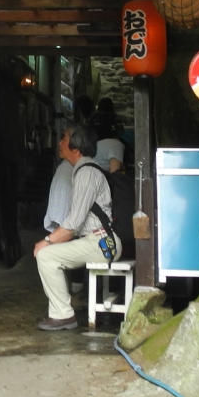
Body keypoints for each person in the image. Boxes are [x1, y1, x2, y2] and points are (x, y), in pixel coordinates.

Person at [34, 122, 122, 331]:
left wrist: (46, 241)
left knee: (45, 255)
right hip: (99, 241)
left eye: (64, 138)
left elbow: (73, 223)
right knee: (49, 253)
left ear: (76, 146)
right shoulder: (83, 169)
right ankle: (61, 312)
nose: (59, 143)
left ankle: (63, 315)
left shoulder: (86, 172)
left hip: (101, 243)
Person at [91, 98, 125, 174]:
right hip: (111, 147)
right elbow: (121, 131)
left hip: (94, 146)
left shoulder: (93, 117)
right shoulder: (114, 117)